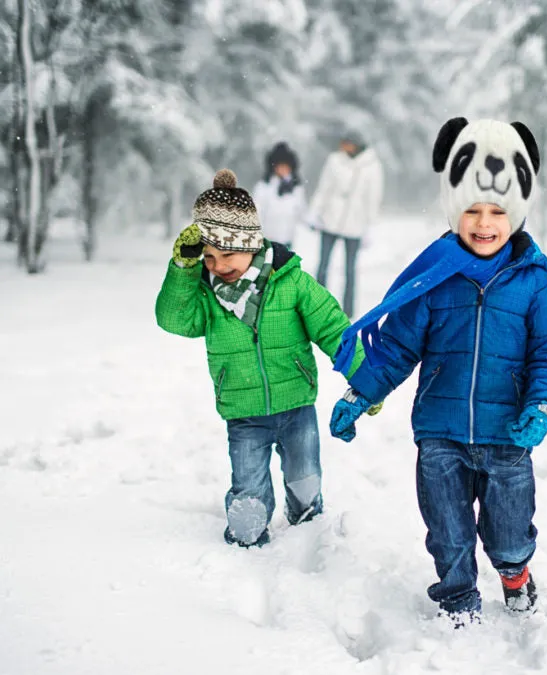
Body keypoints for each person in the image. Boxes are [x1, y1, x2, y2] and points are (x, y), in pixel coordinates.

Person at [327, 118, 547, 622]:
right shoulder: (436, 280)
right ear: (453, 210)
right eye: (472, 211)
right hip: (440, 433)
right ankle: (459, 596)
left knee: (508, 531)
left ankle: (514, 573)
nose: (484, 223)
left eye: (497, 212)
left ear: (518, 214)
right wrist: (360, 394)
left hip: (508, 437)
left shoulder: (533, 286)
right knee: (447, 529)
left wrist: (542, 405)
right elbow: (396, 346)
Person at [155, 168, 365, 548]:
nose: (217, 266)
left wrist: (368, 379)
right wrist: (184, 269)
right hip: (243, 411)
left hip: (296, 405)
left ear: (250, 244)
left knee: (305, 479)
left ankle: (307, 530)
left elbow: (335, 329)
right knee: (248, 495)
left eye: (227, 254)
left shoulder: (292, 282)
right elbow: (173, 319)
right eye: (208, 257)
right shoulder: (205, 295)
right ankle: (247, 537)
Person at [307, 130, 384, 317]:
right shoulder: (334, 160)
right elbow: (324, 187)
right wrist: (315, 211)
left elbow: (374, 197)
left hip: (355, 223)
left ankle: (348, 311)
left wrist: (370, 227)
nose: (343, 147)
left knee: (350, 269)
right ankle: (317, 305)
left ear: (356, 144)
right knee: (323, 264)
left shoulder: (372, 166)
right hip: (330, 218)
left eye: (347, 143)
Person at [252, 142, 309, 250]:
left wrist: (311, 222)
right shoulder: (264, 186)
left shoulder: (296, 188)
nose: (283, 169)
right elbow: (257, 210)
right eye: (280, 166)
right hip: (267, 238)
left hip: (287, 237)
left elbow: (302, 210)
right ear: (274, 167)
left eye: (286, 166)